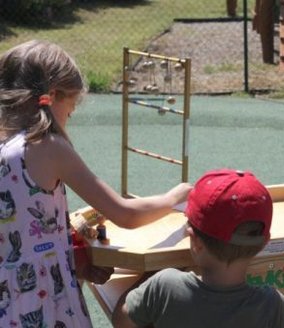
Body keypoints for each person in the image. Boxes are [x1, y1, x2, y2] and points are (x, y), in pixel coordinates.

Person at [0, 40, 192, 327]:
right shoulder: (48, 146)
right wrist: (175, 196)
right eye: (71, 106)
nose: (71, 115)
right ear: (51, 96)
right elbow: (125, 213)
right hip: (41, 304)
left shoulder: (6, 146)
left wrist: (75, 263)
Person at [112, 169, 284, 328]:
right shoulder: (272, 304)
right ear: (264, 243)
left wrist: (151, 271)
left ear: (196, 242)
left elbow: (121, 320)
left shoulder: (165, 286)